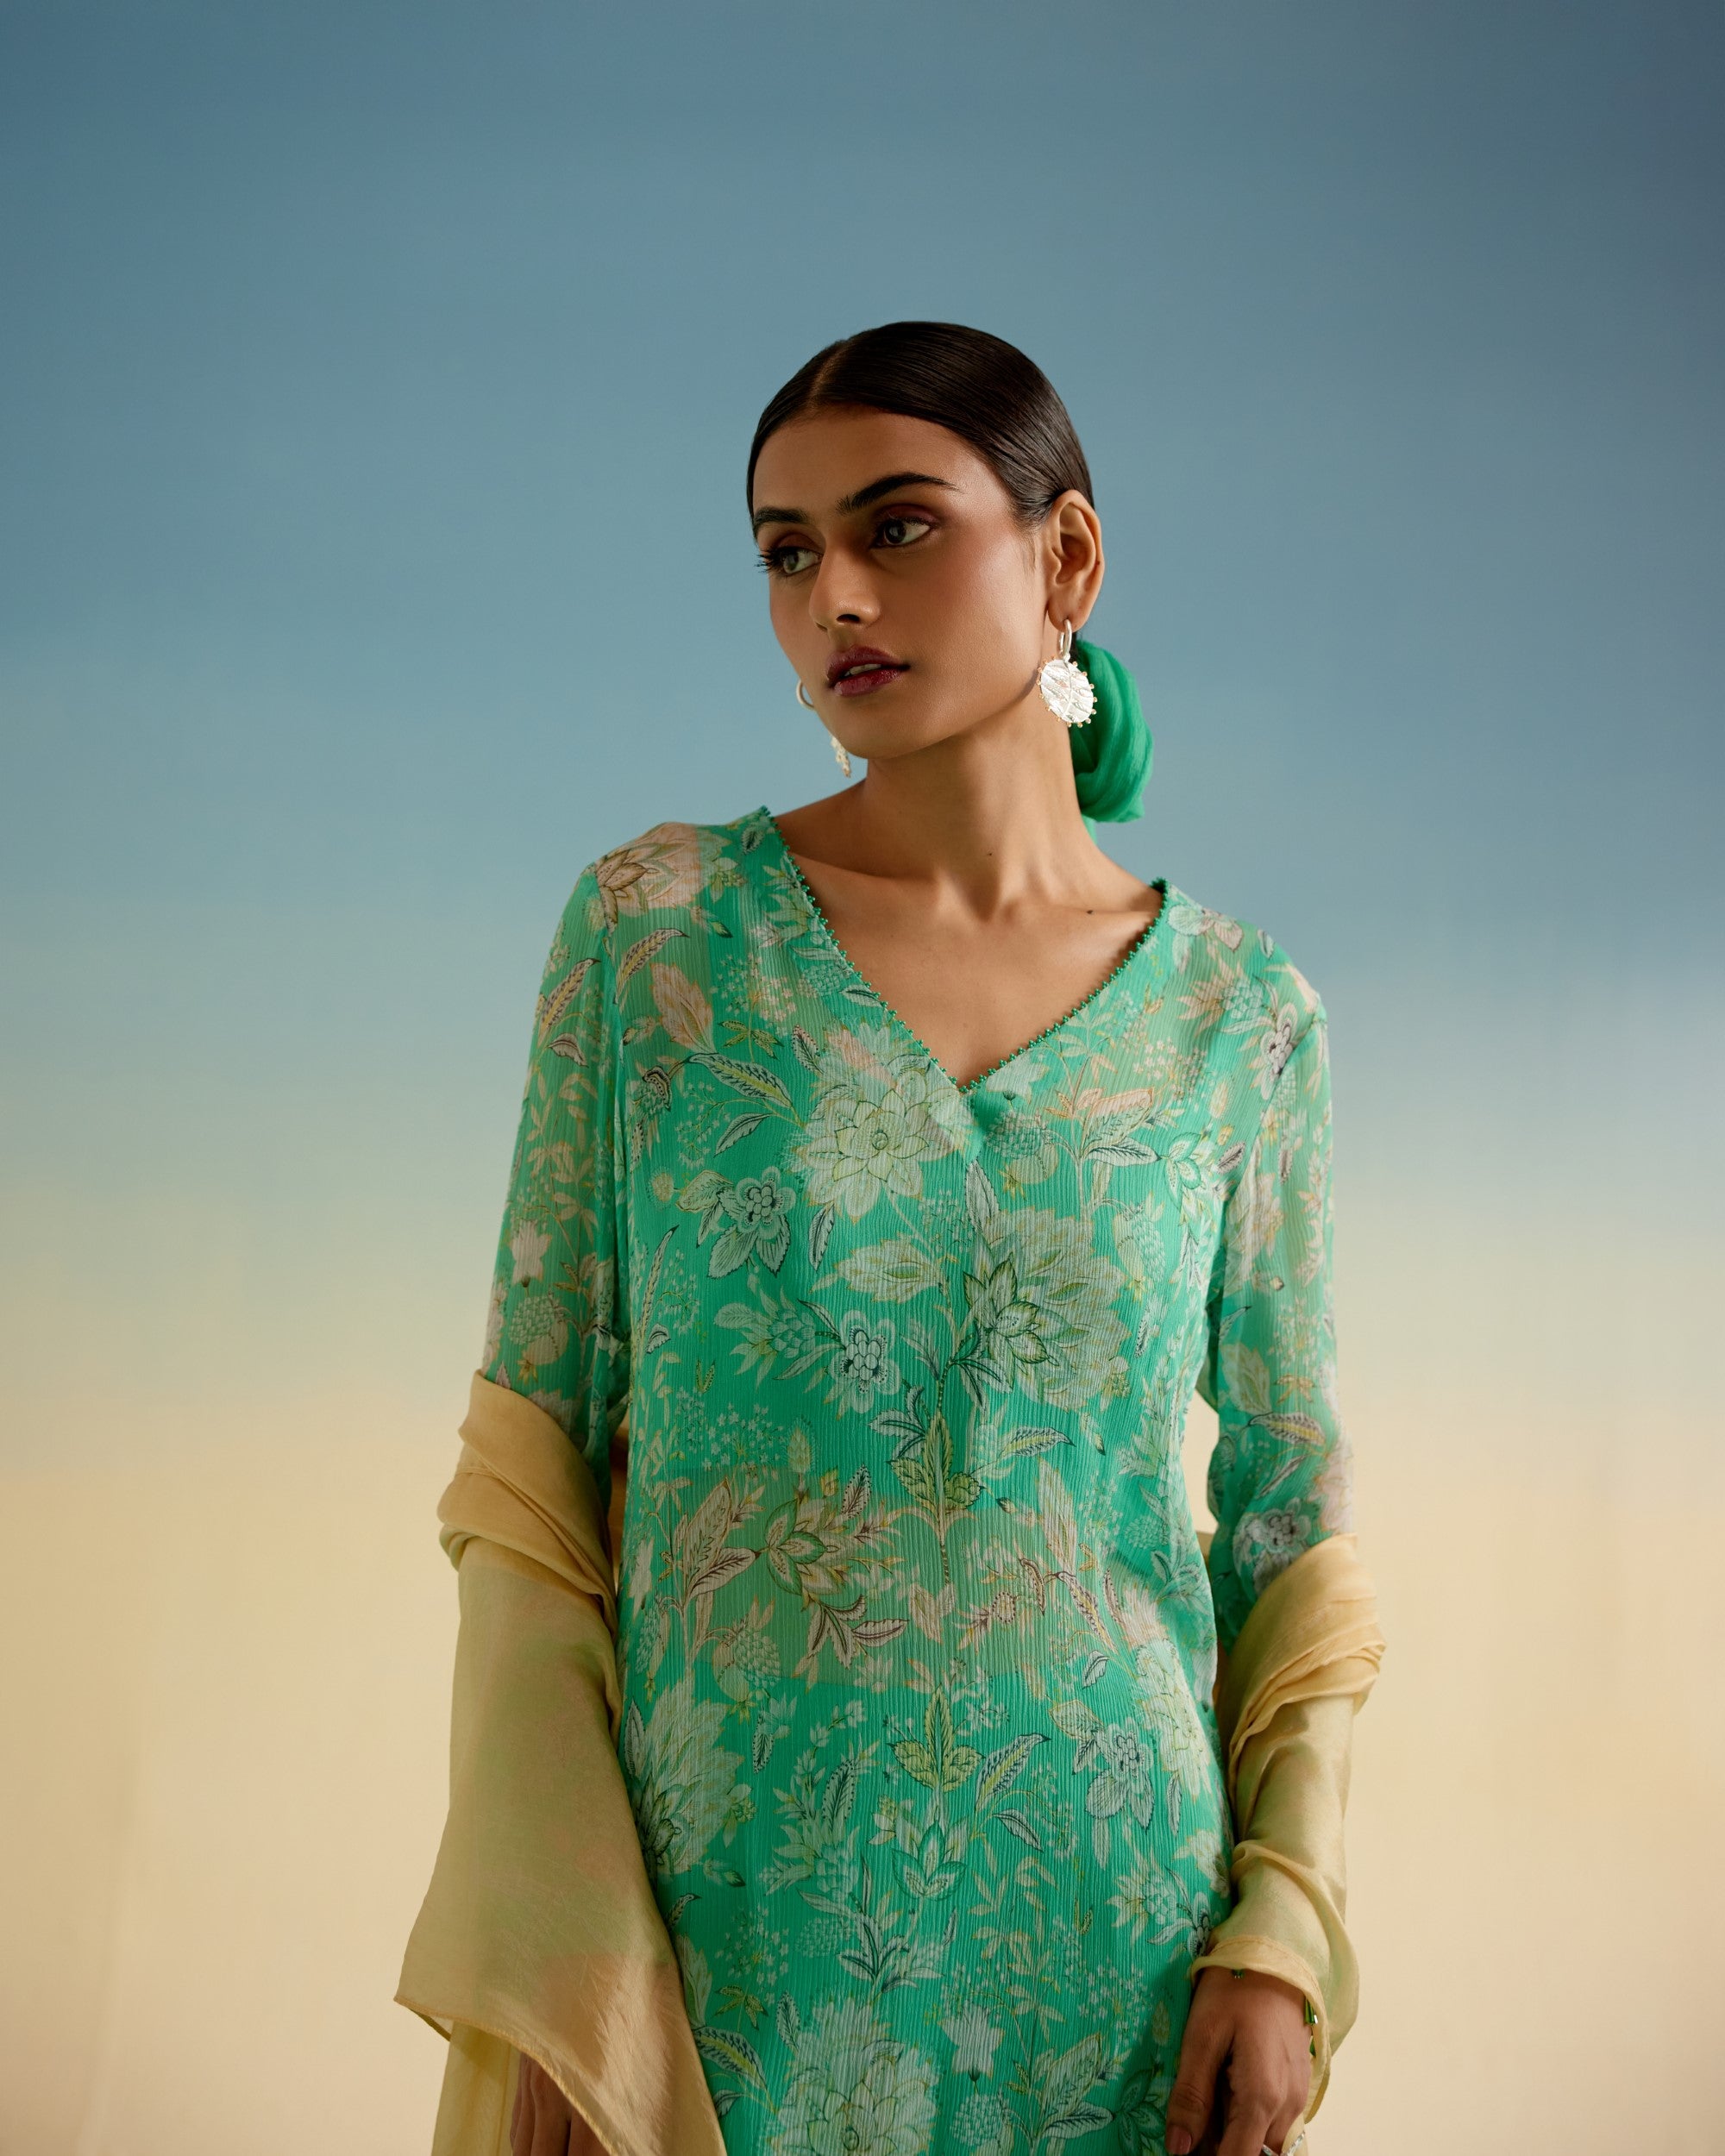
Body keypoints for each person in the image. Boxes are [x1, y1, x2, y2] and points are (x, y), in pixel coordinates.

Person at [399, 321, 1383, 2156]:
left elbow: (1288, 1531)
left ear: (1066, 557)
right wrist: (561, 1974)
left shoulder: (1240, 1025)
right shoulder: (657, 942)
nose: (833, 594)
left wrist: (1283, 1924)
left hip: (1116, 1950)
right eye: (787, 551)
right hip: (718, 1943)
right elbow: (531, 1482)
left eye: (898, 526)